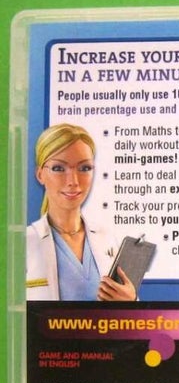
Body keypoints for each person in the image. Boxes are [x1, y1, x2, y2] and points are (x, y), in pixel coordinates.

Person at [26, 123, 136, 301]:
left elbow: (128, 314)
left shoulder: (106, 239)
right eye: (58, 168)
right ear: (40, 175)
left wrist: (131, 302)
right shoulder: (24, 243)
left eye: (84, 168)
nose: (73, 181)